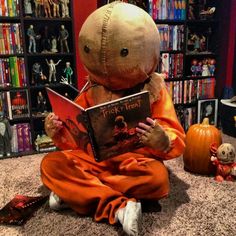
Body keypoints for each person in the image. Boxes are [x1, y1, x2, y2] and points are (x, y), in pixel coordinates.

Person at [41, 2, 185, 236]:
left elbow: (176, 138)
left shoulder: (154, 90)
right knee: (50, 164)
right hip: (94, 160)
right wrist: (56, 130)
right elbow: (75, 134)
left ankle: (78, 191)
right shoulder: (92, 89)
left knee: (158, 180)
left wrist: (162, 139)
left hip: (134, 162)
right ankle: (117, 207)